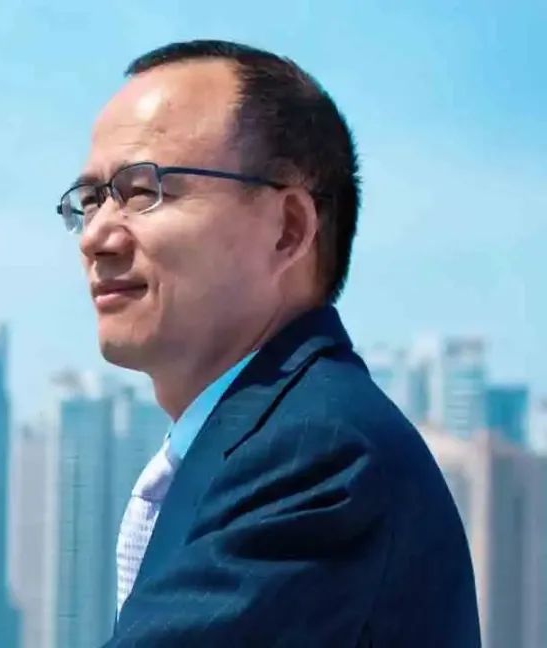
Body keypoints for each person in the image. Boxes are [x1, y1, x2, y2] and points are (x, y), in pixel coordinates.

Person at [56, 40, 480, 646]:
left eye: (143, 190)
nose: (95, 236)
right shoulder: (251, 440)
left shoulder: (320, 454)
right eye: (91, 200)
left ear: (288, 230)